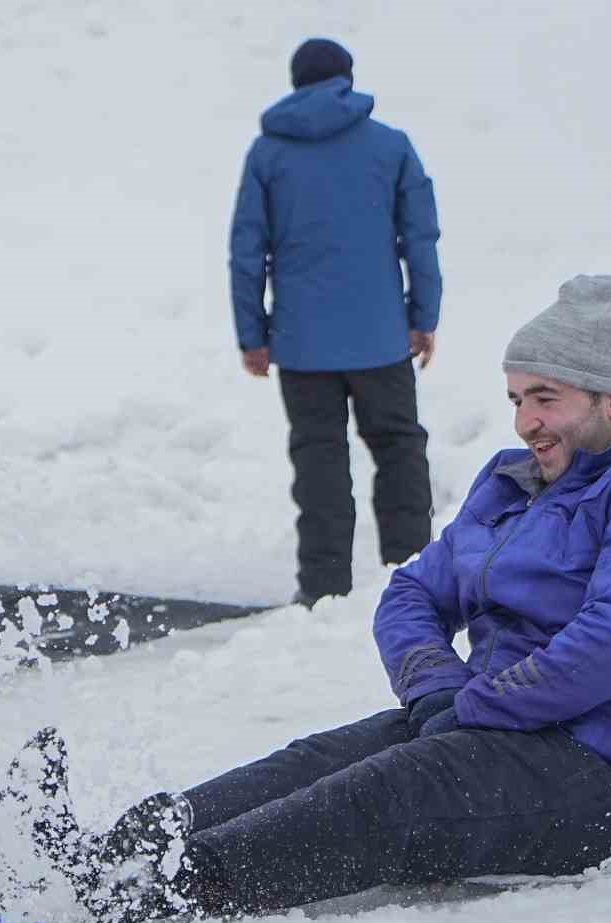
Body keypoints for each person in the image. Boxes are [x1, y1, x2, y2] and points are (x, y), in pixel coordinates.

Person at [4, 275, 611, 923]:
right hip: (505, 728)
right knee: (317, 760)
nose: (526, 422)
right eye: (518, 399)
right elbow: (414, 592)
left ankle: (162, 888)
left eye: (546, 398)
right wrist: (435, 688)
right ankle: (119, 850)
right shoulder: (516, 483)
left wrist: (480, 708)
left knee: (393, 792)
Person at [229, 38, 442, 606]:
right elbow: (419, 239)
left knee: (319, 461)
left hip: (302, 345)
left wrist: (252, 335)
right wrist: (424, 317)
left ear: (296, 83)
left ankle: (323, 591)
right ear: (347, 79)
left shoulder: (268, 154)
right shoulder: (390, 147)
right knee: (398, 450)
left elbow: (248, 249)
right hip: (380, 339)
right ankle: (415, 578)